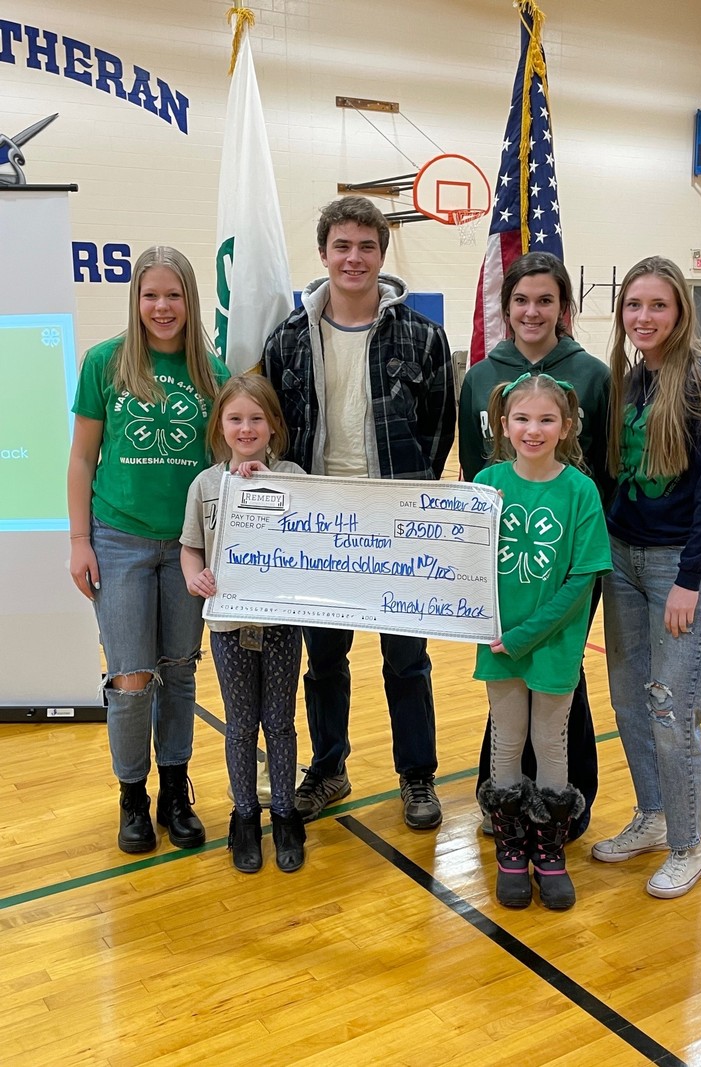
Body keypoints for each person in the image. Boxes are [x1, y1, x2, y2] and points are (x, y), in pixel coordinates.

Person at [262, 195, 456, 829]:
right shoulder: (287, 338)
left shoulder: (423, 337)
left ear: (382, 254)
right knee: (324, 662)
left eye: (366, 247)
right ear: (323, 254)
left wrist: (405, 497)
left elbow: (437, 431)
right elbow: (273, 429)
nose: (354, 258)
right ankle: (329, 768)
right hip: (319, 527)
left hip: (396, 525)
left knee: (407, 660)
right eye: (341, 246)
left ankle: (418, 777)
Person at [67, 245, 229, 854]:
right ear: (135, 300)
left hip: (188, 546)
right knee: (131, 678)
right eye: (150, 295)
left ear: (190, 301)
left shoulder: (212, 372)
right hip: (119, 540)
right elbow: (82, 459)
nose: (162, 307)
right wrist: (80, 541)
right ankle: (131, 794)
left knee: (180, 672)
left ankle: (174, 789)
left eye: (174, 295)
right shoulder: (105, 362)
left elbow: (222, 461)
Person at [591, 256, 701, 899]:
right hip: (623, 559)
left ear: (680, 313)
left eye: (658, 306)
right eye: (633, 306)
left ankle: (689, 844)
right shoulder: (629, 379)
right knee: (628, 699)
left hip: (678, 567)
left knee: (672, 710)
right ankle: (653, 816)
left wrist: (690, 578)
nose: (643, 318)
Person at [459, 252, 612, 840]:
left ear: (563, 308)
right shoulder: (479, 375)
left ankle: (566, 807)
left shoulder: (593, 375)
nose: (532, 310)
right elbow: (476, 477)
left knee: (558, 681)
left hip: (567, 556)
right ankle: (503, 805)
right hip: (503, 571)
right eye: (521, 299)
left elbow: (603, 469)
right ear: (506, 307)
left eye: (545, 300)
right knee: (507, 695)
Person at [474, 374, 611, 909]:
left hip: (551, 646)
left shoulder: (580, 490)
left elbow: (582, 580)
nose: (534, 430)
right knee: (506, 741)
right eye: (522, 419)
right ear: (503, 425)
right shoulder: (487, 482)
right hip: (497, 643)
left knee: (551, 744)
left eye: (546, 420)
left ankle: (548, 850)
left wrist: (526, 634)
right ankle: (511, 848)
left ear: (567, 426)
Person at [180, 375, 306, 874]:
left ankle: (285, 813)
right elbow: (191, 547)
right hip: (229, 625)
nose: (246, 428)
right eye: (236, 419)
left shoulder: (294, 475)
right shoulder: (206, 485)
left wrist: (270, 486)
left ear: (274, 425)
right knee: (240, 725)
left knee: (279, 721)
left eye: (257, 418)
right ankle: (245, 816)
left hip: (279, 625)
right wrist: (195, 577)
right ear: (220, 427)